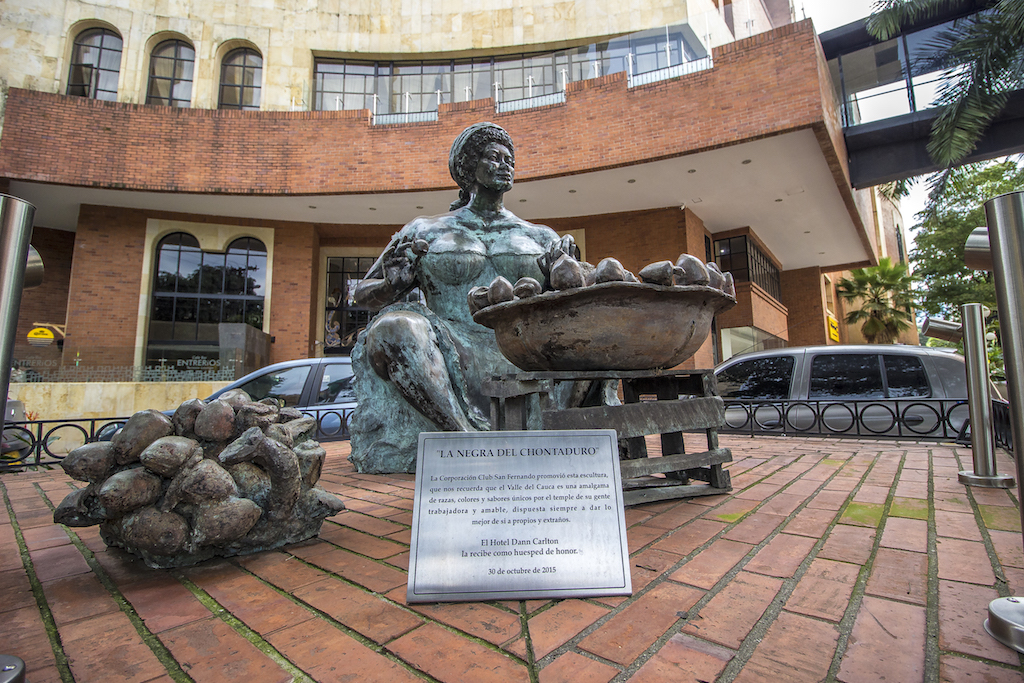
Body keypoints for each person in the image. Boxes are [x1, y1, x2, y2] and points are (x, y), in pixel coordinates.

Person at [348, 122, 575, 472]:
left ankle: (566, 440)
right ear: (470, 168)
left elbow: (568, 294)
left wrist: (567, 267)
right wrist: (392, 284)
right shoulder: (425, 229)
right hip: (449, 346)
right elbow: (362, 294)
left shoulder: (540, 236)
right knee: (394, 327)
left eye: (509, 158)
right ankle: (466, 440)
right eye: (493, 157)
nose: (506, 164)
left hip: (522, 350)